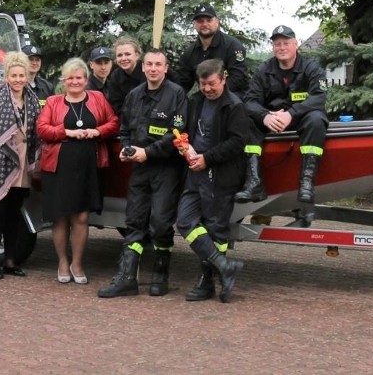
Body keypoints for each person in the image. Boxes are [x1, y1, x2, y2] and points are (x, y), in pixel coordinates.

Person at [98, 49, 188, 298]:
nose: (153, 69)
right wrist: (126, 148)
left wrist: (147, 152)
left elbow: (177, 134)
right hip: (139, 168)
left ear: (165, 68)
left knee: (160, 223)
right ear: (144, 67)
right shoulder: (134, 95)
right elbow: (124, 127)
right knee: (134, 222)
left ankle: (161, 275)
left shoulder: (177, 94)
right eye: (149, 64)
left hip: (166, 168)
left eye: (158, 64)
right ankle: (127, 278)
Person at [37, 58, 119, 284]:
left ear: (86, 79)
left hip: (88, 167)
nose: (75, 81)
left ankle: (77, 263)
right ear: (64, 80)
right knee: (61, 217)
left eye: (79, 78)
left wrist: (97, 132)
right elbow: (42, 129)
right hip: (58, 168)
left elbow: (114, 123)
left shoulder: (98, 98)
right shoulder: (53, 102)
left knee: (82, 216)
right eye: (70, 78)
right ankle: (63, 261)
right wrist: (67, 132)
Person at [175, 59, 247, 302]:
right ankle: (225, 266)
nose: (207, 89)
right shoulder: (195, 101)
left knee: (217, 231)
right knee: (184, 221)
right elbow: (186, 130)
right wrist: (184, 146)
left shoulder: (234, 106)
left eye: (212, 84)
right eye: (203, 84)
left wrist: (207, 158)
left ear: (223, 80)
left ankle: (208, 283)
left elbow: (237, 142)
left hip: (221, 176)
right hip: (195, 174)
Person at [236, 25, 329, 207]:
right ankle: (255, 182)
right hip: (271, 119)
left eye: (286, 43)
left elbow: (319, 96)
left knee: (317, 119)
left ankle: (306, 183)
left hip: (301, 118)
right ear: (273, 48)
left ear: (296, 45)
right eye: (277, 44)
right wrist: (264, 116)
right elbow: (249, 100)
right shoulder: (264, 69)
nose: (282, 48)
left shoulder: (311, 67)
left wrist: (291, 114)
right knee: (245, 120)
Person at [0, 51, 40, 279]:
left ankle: (11, 260)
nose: (18, 80)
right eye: (13, 75)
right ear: (6, 77)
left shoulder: (33, 103)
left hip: (23, 169)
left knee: (15, 215)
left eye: (21, 75)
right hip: (1, 167)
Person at [174, 3, 249, 94]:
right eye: (200, 21)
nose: (205, 24)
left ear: (217, 22)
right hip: (206, 95)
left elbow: (237, 79)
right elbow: (183, 83)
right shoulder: (190, 53)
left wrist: (214, 94)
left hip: (233, 97)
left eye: (209, 20)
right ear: (194, 24)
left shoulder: (233, 46)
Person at [105, 36, 146, 115]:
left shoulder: (148, 71)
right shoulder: (115, 76)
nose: (123, 58)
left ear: (137, 55)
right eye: (119, 55)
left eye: (127, 54)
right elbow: (116, 105)